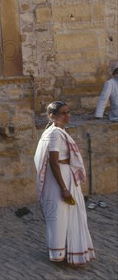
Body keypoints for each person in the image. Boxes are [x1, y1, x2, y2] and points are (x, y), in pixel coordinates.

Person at [34, 101, 95, 266]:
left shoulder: (56, 131)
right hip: (60, 178)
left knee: (67, 214)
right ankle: (61, 253)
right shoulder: (54, 134)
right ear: (52, 116)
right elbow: (53, 162)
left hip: (64, 175)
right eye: (63, 113)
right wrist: (64, 188)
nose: (68, 115)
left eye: (68, 112)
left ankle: (65, 250)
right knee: (60, 216)